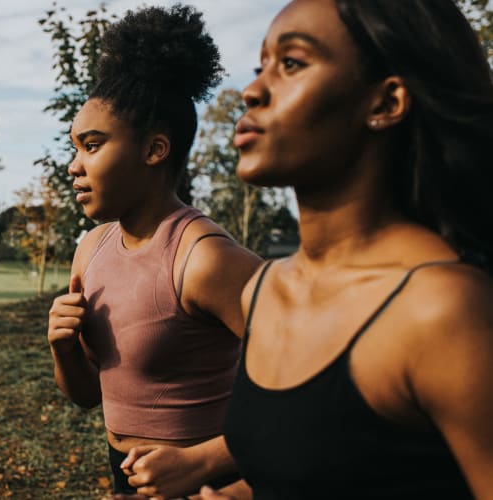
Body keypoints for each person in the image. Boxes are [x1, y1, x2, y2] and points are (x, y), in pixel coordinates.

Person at [198, 0, 493, 498]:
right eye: (260, 66)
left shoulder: (440, 310)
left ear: (385, 103)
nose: (251, 91)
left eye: (292, 63)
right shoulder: (264, 291)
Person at [47, 4, 261, 497]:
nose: (74, 166)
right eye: (74, 147)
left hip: (211, 484)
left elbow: (322, 386)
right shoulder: (92, 249)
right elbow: (85, 396)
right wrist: (63, 348)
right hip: (126, 476)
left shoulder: (204, 258)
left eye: (93, 145)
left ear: (154, 149)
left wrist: (210, 467)